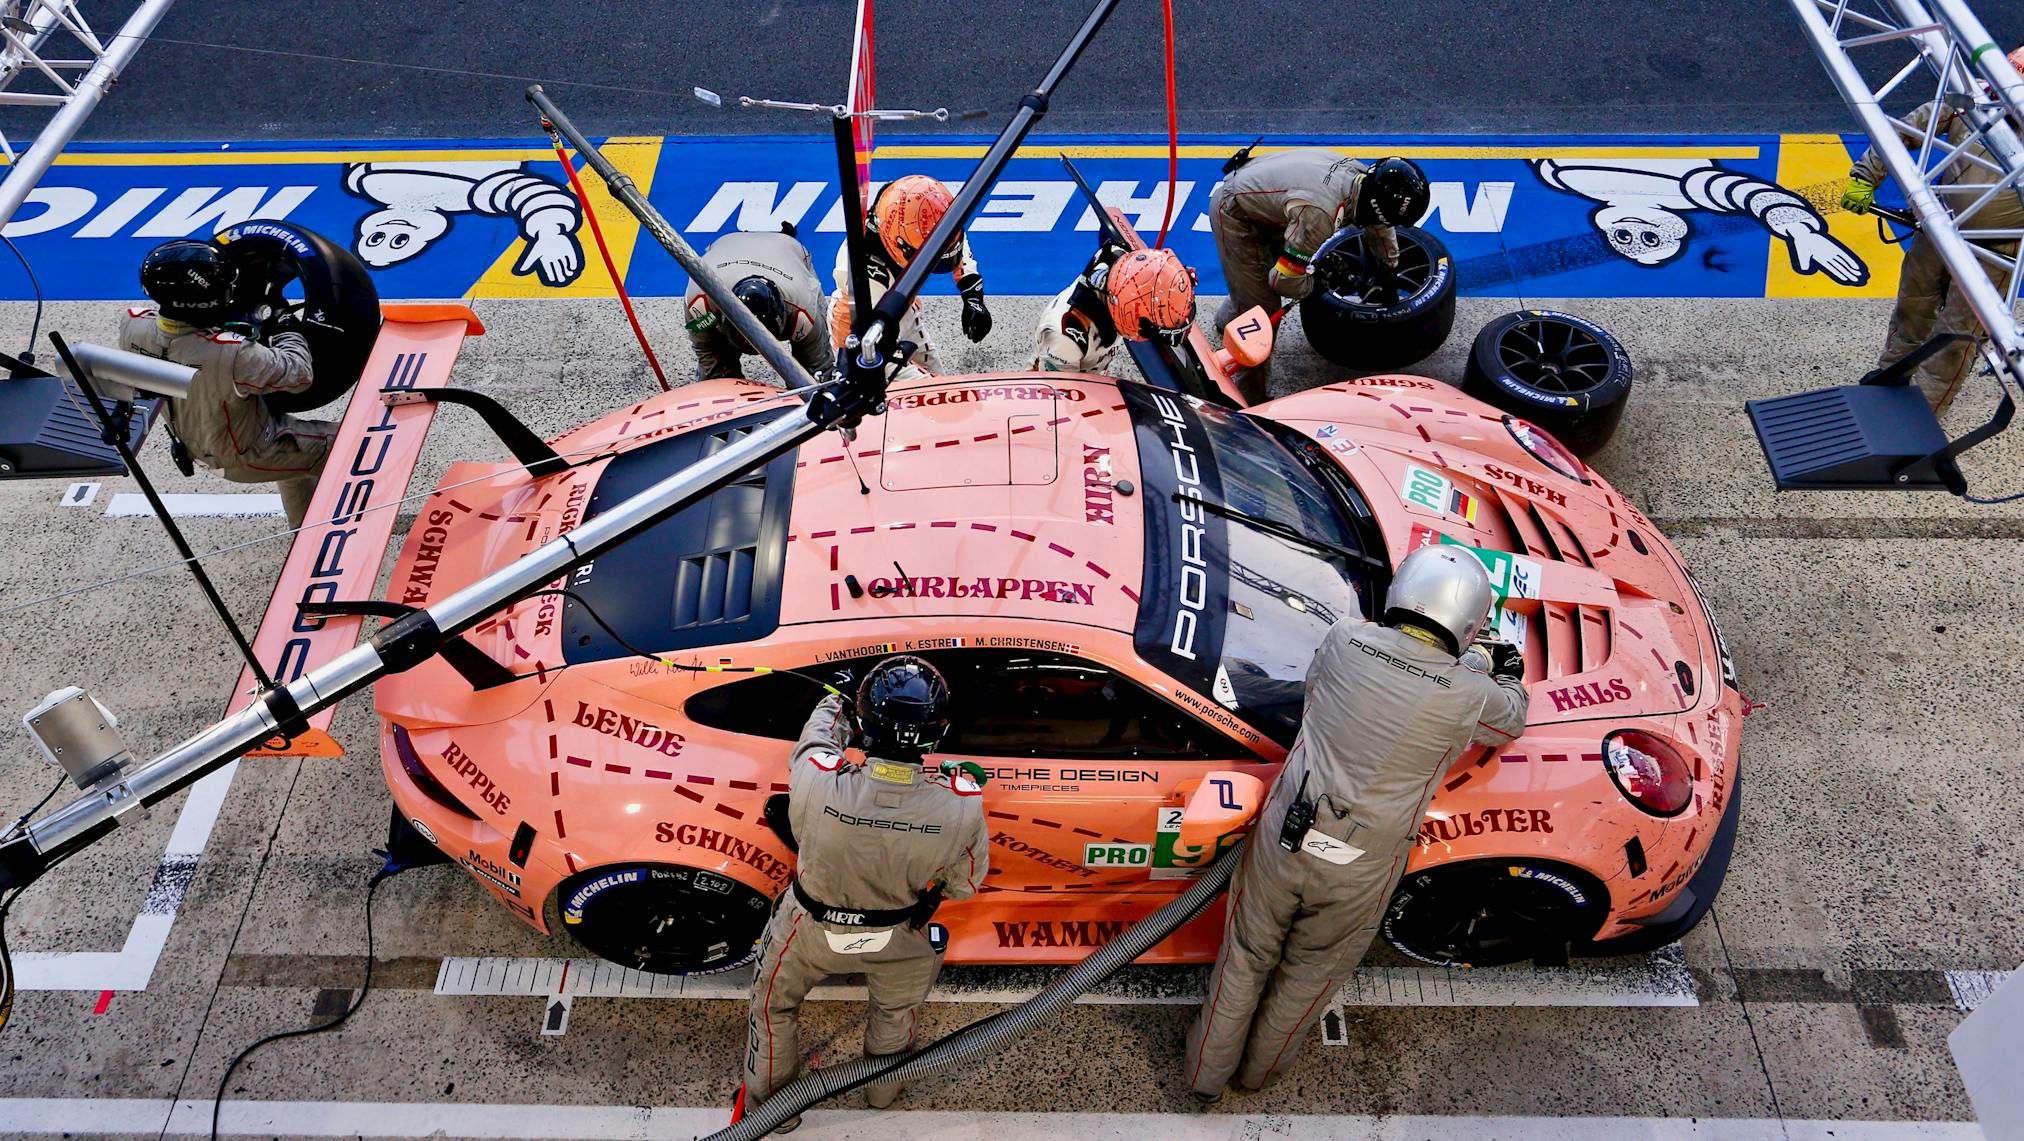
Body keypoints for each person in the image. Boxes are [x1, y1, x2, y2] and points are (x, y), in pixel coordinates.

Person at [1183, 545, 1528, 1102]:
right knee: (1307, 979)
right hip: (1360, 865)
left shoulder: (1345, 639)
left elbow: (1317, 694)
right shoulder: (1469, 693)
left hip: (1285, 836)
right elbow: (1510, 719)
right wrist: (1502, 668)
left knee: (1243, 959)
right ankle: (1257, 1076)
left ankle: (1204, 1075)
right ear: (1466, 624)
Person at [740, 656, 989, 1131]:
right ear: (939, 731)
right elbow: (965, 884)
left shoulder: (815, 778)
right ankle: (881, 1095)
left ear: (862, 724)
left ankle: (774, 1115)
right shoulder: (961, 805)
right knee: (895, 1014)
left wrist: (835, 697)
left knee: (773, 1010)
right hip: (898, 939)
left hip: (806, 932)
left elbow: (816, 738)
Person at [1841, 45, 2024, 414]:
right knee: (1913, 305)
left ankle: (1922, 416)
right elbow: (1906, 129)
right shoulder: (1970, 100)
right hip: (1938, 228)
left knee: (1957, 335)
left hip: (1994, 250)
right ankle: (1890, 377)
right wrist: (1865, 174)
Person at [119, 239, 335, 527]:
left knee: (296, 464)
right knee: (356, 445)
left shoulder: (132, 326)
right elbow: (299, 373)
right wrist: (284, 324)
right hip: (250, 453)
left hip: (198, 443)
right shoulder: (232, 353)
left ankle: (307, 538)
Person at [1209, 148, 1429, 401]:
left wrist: (1388, 269)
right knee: (1262, 311)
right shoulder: (1321, 215)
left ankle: (1228, 319)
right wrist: (1316, 284)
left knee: (1252, 281)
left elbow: (1380, 226)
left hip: (1266, 198)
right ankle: (1248, 400)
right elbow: (1282, 281)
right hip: (1236, 213)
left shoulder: (1365, 180)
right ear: (1378, 207)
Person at [829, 175, 992, 377]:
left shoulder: (915, 217)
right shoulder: (861, 276)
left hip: (903, 308)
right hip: (865, 338)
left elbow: (949, 234)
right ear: (898, 245)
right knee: (929, 395)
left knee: (942, 380)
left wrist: (972, 297)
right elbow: (877, 337)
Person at [683, 225, 833, 384]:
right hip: (728, 247)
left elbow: (818, 367)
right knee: (715, 371)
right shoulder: (701, 300)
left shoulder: (803, 312)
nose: (753, 347)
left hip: (789, 251)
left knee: (814, 375)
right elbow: (706, 350)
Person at [1030, 243, 1197, 374]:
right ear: (1132, 318)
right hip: (1064, 391)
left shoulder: (1126, 266)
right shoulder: (1066, 340)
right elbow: (1055, 401)